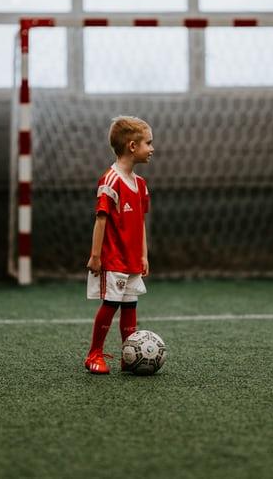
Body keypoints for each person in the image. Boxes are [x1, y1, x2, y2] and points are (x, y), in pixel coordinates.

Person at [84, 116, 155, 374]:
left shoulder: (141, 185)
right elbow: (100, 221)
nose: (152, 148)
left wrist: (143, 256)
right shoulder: (110, 181)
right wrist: (95, 257)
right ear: (132, 146)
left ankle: (129, 354)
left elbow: (140, 223)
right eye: (148, 143)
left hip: (132, 259)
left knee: (130, 305)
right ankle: (94, 353)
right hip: (113, 258)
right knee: (111, 304)